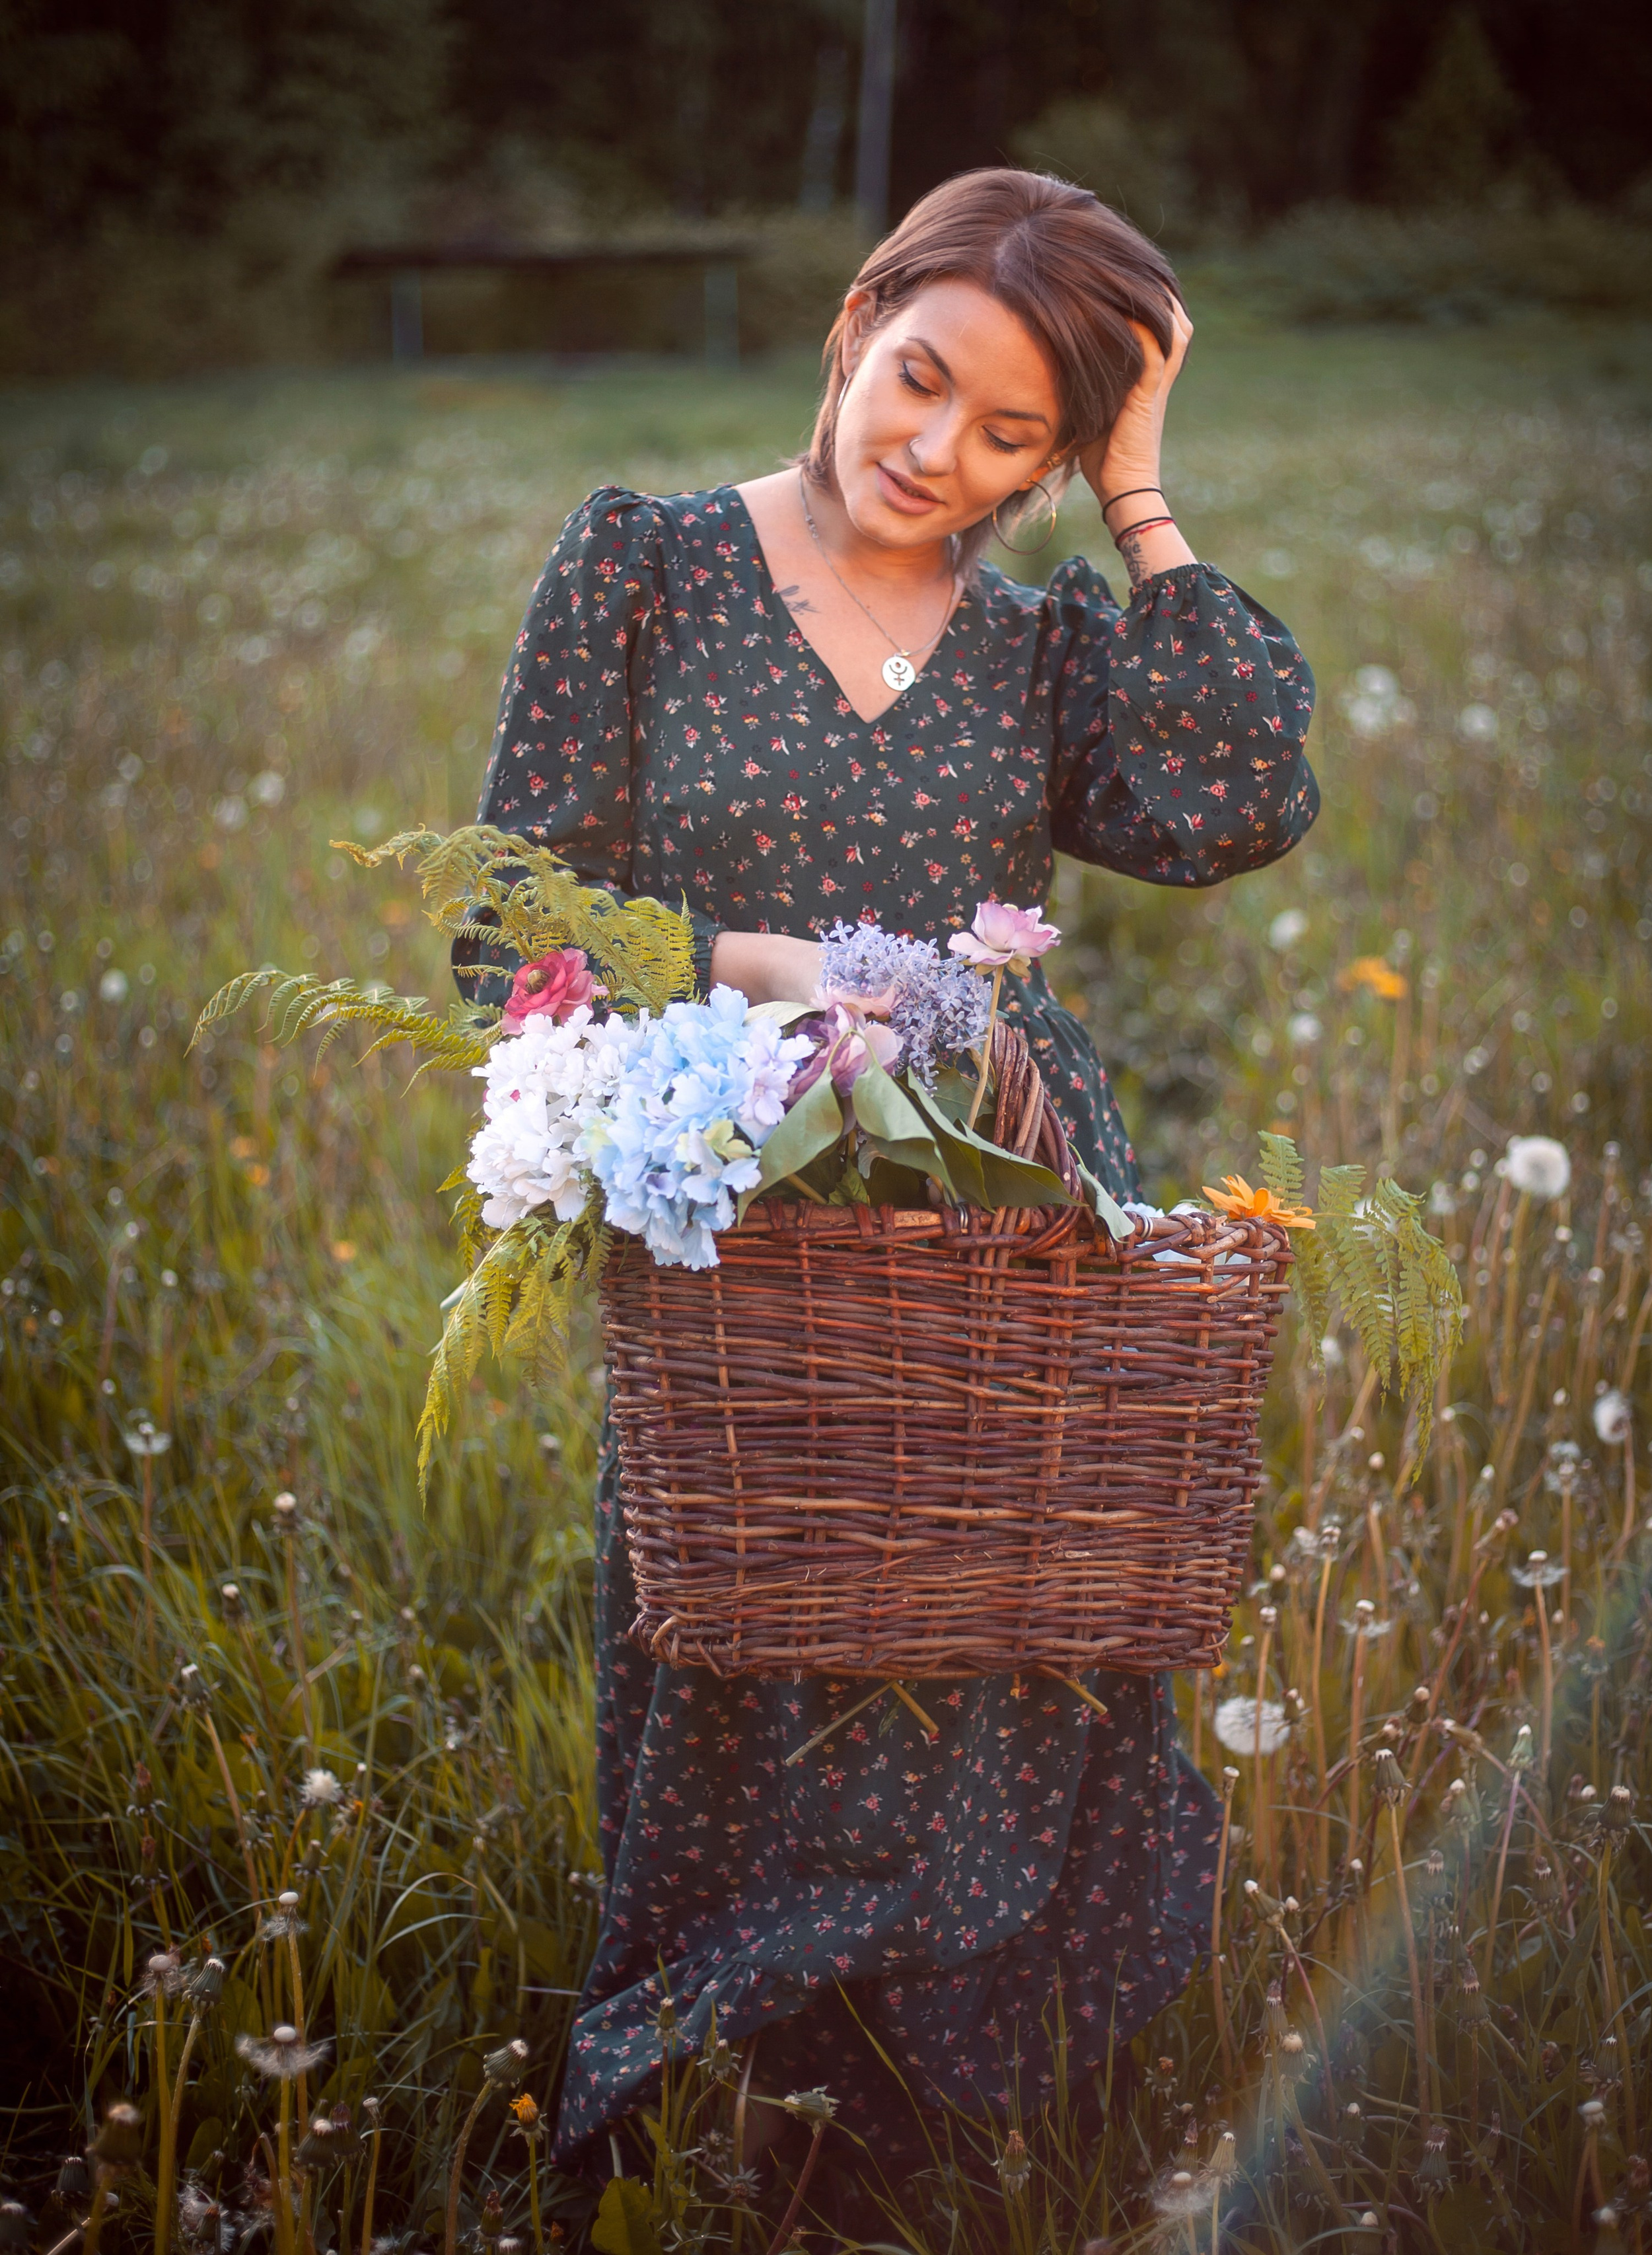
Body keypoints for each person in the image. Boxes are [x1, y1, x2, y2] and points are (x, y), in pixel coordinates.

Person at [466, 167, 1318, 2201]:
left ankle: (955, 2111)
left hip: (999, 1203)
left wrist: (1141, 484)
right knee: (747, 1642)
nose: (937, 451)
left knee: (998, 1640)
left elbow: (1238, 799)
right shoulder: (647, 566)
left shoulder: (1040, 650)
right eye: (923, 378)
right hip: (736, 1199)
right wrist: (754, 966)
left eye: (1013, 432)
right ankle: (732, 2089)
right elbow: (510, 935)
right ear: (858, 324)